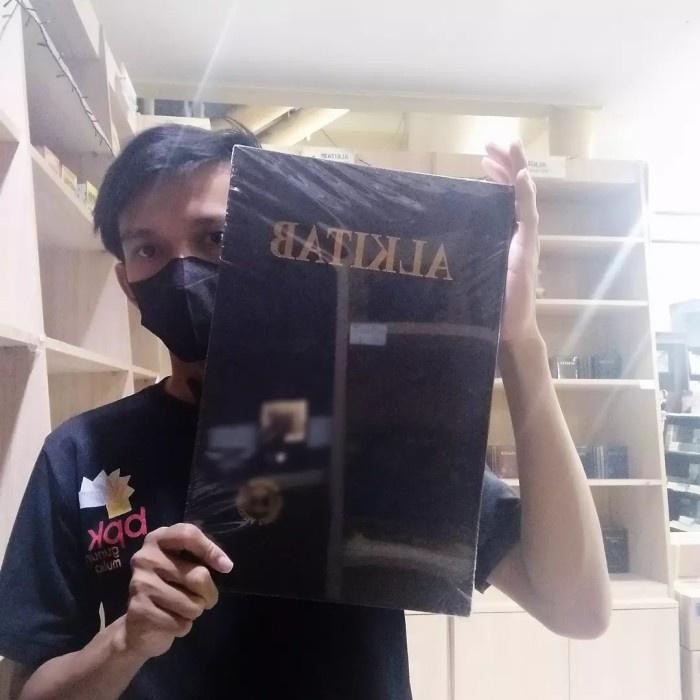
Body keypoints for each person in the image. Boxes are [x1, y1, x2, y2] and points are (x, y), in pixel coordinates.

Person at [0, 125, 611, 700]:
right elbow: (22, 688)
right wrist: (124, 642)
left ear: (274, 244)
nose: (181, 270)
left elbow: (578, 609)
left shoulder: (366, 426)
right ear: (127, 283)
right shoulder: (81, 456)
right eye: (147, 248)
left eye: (216, 237)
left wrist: (519, 342)